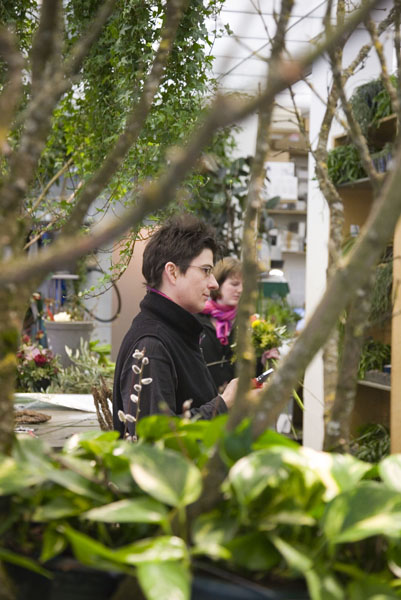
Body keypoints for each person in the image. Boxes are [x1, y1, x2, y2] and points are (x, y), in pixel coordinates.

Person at [112, 215, 238, 437]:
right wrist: (224, 403)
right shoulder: (152, 344)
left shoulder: (177, 332)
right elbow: (154, 440)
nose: (213, 283)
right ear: (172, 272)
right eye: (206, 270)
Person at [197, 257, 242, 391]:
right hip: (203, 400)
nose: (240, 290)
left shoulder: (247, 324)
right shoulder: (196, 318)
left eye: (243, 285)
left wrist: (264, 359)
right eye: (234, 284)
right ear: (218, 283)